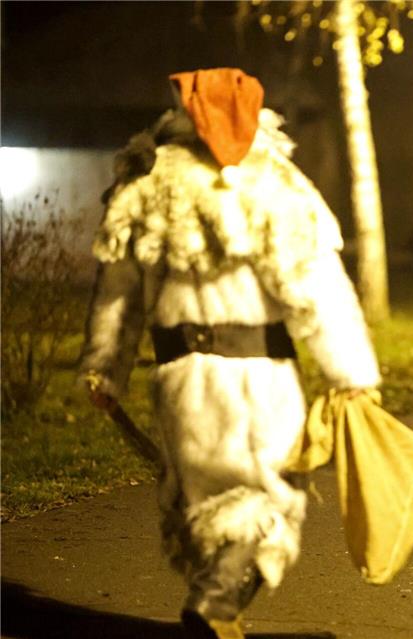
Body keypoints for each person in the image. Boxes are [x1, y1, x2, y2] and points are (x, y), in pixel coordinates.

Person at [79, 68, 380, 638]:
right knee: (272, 503)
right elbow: (318, 291)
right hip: (259, 378)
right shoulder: (275, 184)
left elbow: (116, 296)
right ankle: (217, 601)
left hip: (180, 379)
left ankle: (221, 609)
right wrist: (351, 374)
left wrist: (103, 367)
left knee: (204, 501)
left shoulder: (144, 183)